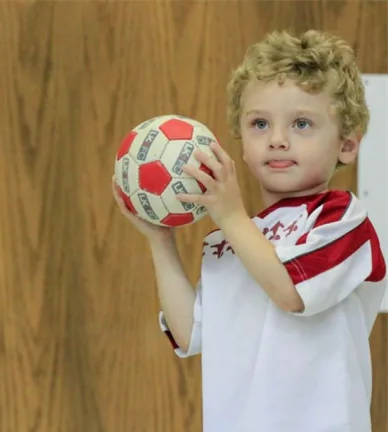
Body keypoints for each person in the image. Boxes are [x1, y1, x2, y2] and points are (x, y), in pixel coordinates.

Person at [112, 30, 386, 431]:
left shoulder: (342, 220)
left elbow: (291, 293)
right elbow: (189, 336)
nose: (276, 140)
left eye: (302, 124)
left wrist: (232, 216)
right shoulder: (228, 241)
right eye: (259, 123)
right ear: (241, 142)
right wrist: (161, 241)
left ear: (346, 145)